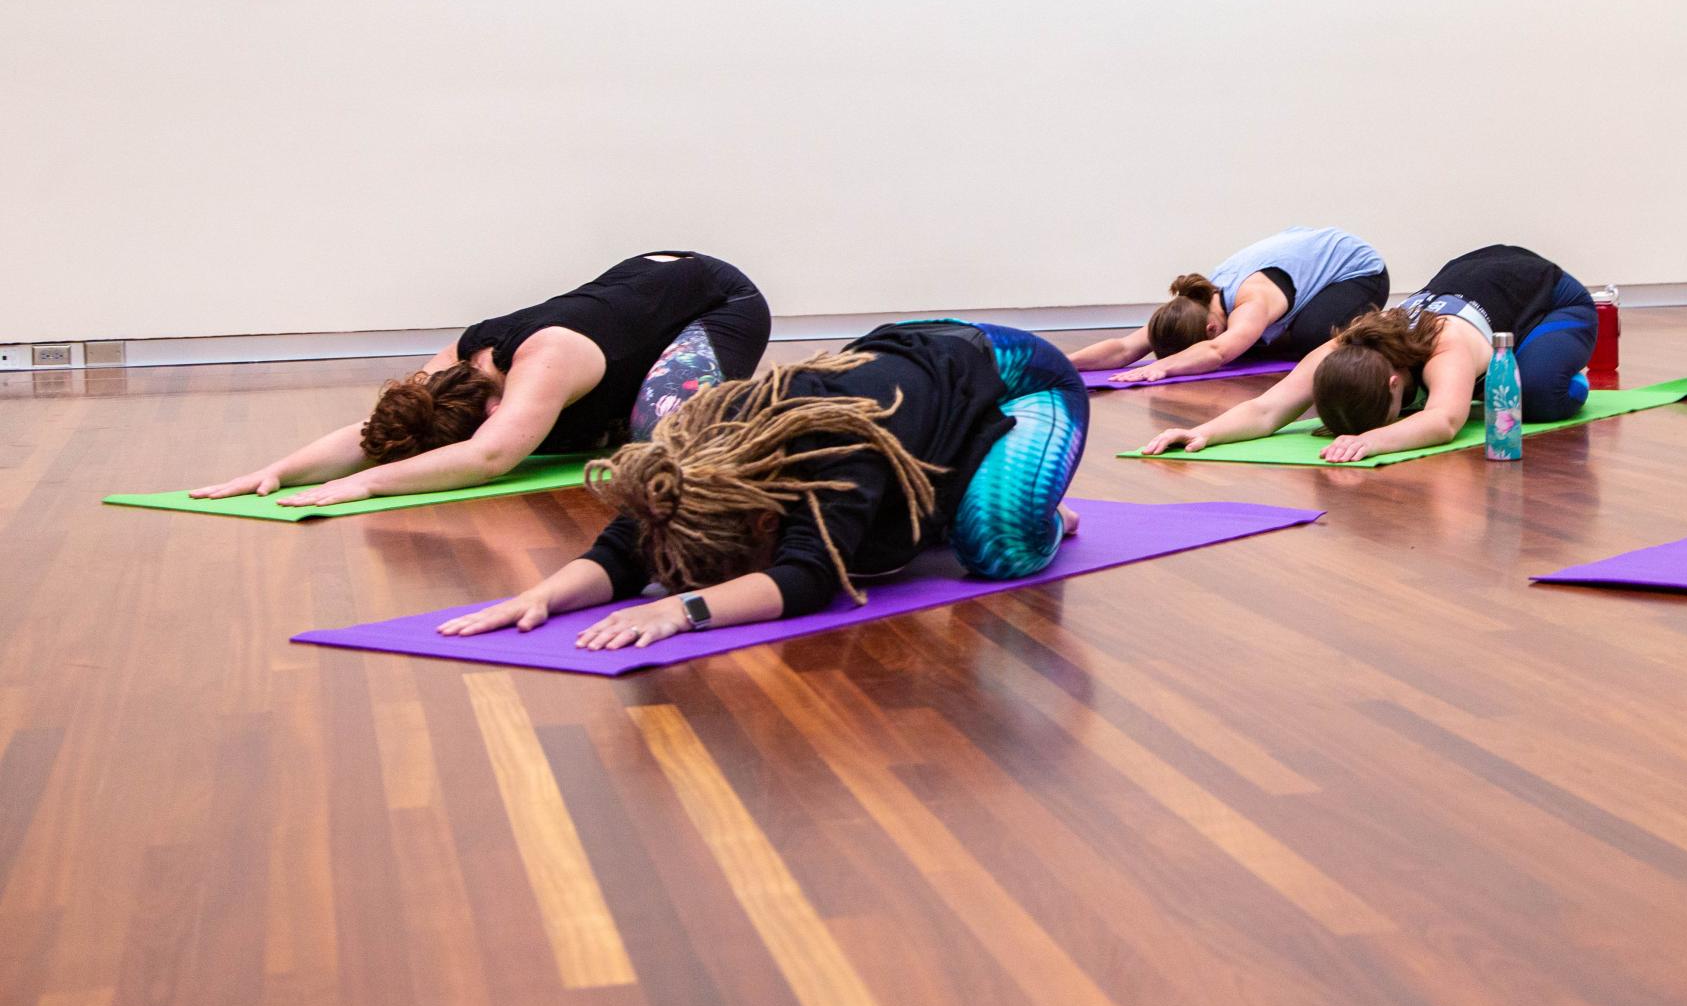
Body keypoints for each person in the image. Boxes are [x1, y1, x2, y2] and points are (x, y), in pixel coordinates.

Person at [435, 321, 1088, 651]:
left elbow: (808, 579)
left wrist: (679, 611)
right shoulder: (698, 453)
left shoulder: (837, 451)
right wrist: (544, 596)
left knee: (996, 547)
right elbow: (635, 535)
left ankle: (1047, 513)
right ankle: (967, 481)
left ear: (760, 522)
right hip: (916, 355)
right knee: (887, 530)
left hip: (1021, 376)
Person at [188, 251, 770, 507]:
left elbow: (489, 458)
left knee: (656, 442)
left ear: (487, 410)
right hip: (636, 290)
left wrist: (368, 484)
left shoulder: (545, 360)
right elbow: (375, 431)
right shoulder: (456, 359)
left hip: (715, 298)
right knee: (559, 432)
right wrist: (277, 471)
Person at [1138, 243, 1595, 463]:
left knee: (1529, 397)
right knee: (1487, 389)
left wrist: (1373, 440)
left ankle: (1559, 364)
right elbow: (1265, 409)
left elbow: (1443, 421)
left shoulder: (1446, 346)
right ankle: (1501, 365)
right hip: (1471, 272)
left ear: (1396, 382)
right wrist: (1202, 433)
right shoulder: (1343, 346)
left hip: (1548, 294)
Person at [1065, 225, 1387, 383]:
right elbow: (1123, 348)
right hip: (1304, 259)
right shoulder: (1188, 305)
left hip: (1358, 270)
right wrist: (1065, 362)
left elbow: (1217, 352)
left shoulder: (1251, 300)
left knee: (1312, 340)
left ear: (1210, 328)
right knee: (1247, 342)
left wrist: (1159, 367)